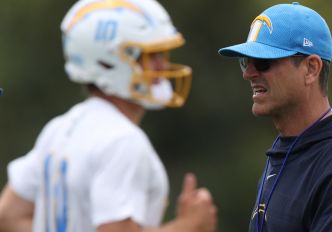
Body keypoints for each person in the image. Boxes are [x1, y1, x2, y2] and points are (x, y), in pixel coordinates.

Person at [0, 0, 217, 231]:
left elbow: (9, 216)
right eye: (150, 55)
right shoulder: (123, 140)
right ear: (108, 61)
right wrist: (189, 226)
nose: (162, 65)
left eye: (162, 53)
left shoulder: (59, 128)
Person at [218, 2, 332, 232]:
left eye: (263, 62)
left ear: (311, 69)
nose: (248, 73)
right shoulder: (289, 147)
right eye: (245, 62)